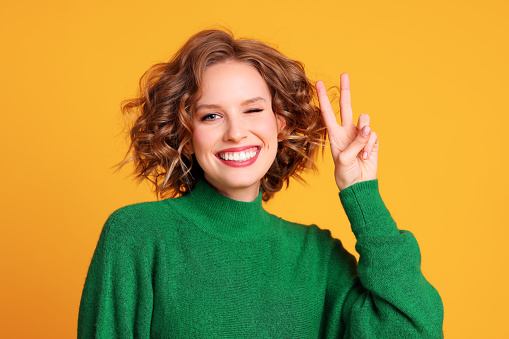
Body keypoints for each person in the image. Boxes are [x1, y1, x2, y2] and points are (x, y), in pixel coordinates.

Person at [78, 29, 444, 338]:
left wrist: (361, 194)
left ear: (280, 124)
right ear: (186, 136)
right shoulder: (138, 235)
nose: (237, 133)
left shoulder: (316, 257)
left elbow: (414, 329)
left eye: (253, 110)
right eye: (211, 116)